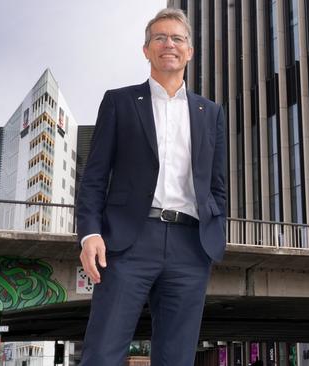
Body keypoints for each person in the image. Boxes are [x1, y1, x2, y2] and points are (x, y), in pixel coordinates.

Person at [76, 8, 226, 366]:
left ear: (189, 51)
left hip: (191, 245)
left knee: (177, 357)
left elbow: (217, 184)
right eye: (159, 37)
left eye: (177, 38)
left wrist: (215, 229)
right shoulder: (120, 102)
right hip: (128, 241)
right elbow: (94, 176)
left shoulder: (211, 112)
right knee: (102, 352)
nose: (168, 44)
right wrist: (89, 234)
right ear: (146, 50)